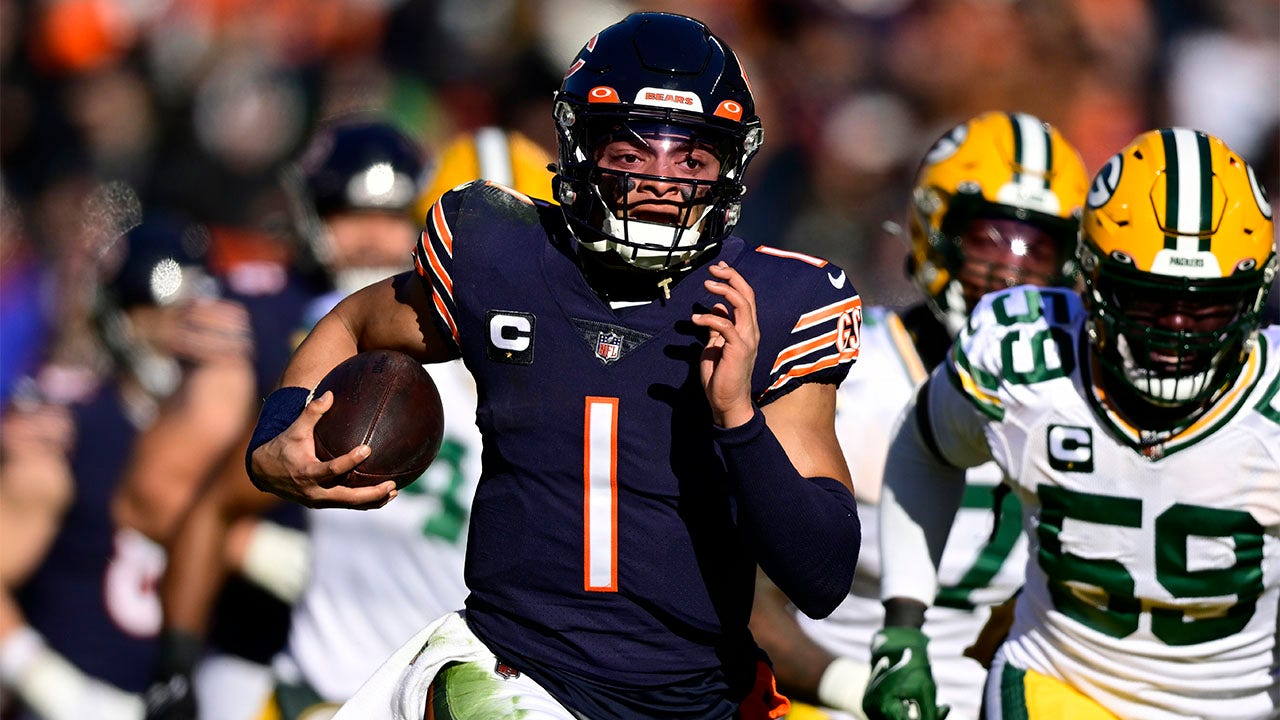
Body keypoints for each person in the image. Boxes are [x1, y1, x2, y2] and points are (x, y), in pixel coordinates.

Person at [246, 12, 864, 720]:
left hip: (698, 697)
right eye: (634, 154)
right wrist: (280, 431)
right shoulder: (501, 255)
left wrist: (738, 419)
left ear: (730, 167)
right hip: (514, 669)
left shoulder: (777, 303)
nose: (664, 181)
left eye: (691, 160)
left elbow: (821, 575)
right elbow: (355, 320)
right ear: (581, 147)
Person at [863, 127, 1279, 720]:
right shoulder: (1024, 351)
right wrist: (904, 624)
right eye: (1148, 298)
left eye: (1208, 303)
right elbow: (926, 445)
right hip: (1061, 687)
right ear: (1091, 277)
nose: (1177, 330)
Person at [750, 111, 1089, 720]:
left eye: (1038, 250)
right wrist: (853, 687)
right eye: (990, 240)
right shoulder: (851, 372)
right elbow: (744, 598)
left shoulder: (1073, 394)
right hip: (818, 694)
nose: (1012, 272)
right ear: (936, 231)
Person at [134, 118, 435, 720]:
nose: (374, 238)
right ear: (310, 214)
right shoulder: (255, 316)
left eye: (392, 215)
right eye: (351, 215)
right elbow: (156, 494)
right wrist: (264, 552)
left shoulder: (441, 318)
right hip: (267, 650)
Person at [0, 214, 256, 720]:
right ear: (118, 319)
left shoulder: (244, 426)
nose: (172, 333)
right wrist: (52, 684)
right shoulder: (68, 433)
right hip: (82, 692)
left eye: (189, 313)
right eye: (153, 313)